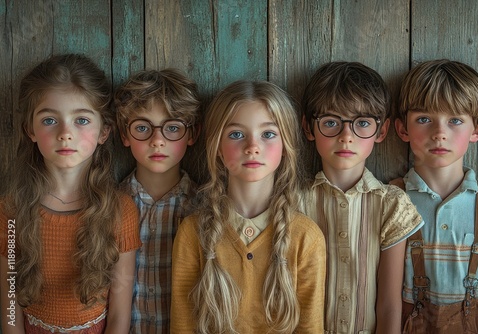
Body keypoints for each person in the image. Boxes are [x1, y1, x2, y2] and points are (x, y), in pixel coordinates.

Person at [170, 80, 326, 333]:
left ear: (286, 146)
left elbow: (310, 327)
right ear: (217, 147)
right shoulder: (192, 233)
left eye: (268, 134)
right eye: (236, 134)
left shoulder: (306, 237)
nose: (253, 147)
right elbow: (182, 325)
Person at [0, 54, 141, 333]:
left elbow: (119, 316)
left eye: (82, 120)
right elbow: (9, 308)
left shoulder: (120, 211)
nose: (66, 133)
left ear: (104, 131)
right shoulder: (11, 211)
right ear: (30, 129)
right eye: (50, 120)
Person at [300, 61, 423, 334]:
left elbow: (390, 304)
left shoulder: (391, 204)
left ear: (381, 131)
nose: (346, 136)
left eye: (362, 123)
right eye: (331, 122)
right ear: (309, 128)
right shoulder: (294, 202)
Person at [394, 59, 478, 333]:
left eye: (455, 120)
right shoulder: (390, 198)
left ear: (477, 130)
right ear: (403, 129)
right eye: (424, 119)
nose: (439, 133)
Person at [114, 69, 201, 333]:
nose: (158, 140)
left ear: (192, 134)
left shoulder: (205, 207)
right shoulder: (107, 207)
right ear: (124, 135)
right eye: (142, 128)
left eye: (172, 128)